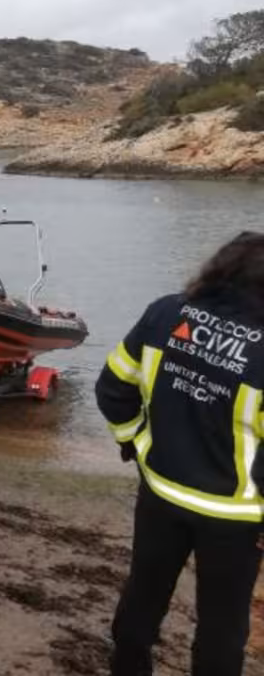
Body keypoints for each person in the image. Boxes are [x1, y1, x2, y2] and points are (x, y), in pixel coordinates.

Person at [95, 230, 264, 676]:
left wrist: (133, 441)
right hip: (234, 515)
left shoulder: (165, 314)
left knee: (143, 593)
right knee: (222, 624)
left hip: (161, 491)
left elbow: (112, 387)